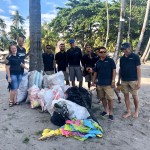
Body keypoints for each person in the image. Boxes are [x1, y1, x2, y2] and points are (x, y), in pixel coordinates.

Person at [117, 43, 141, 118]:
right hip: (124, 80)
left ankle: (136, 111)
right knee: (126, 96)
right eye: (123, 49)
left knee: (134, 96)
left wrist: (139, 82)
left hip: (133, 80)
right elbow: (121, 69)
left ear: (130, 48)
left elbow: (138, 69)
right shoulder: (122, 58)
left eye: (126, 48)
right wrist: (118, 80)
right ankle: (129, 111)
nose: (125, 50)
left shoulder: (135, 57)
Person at [92, 46, 116, 121]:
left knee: (110, 99)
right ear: (99, 53)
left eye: (104, 52)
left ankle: (111, 113)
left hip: (108, 84)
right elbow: (95, 72)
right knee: (103, 98)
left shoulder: (110, 61)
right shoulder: (97, 62)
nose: (103, 53)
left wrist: (113, 81)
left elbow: (114, 71)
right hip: (100, 84)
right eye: (101, 52)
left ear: (106, 52)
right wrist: (93, 81)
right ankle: (106, 111)